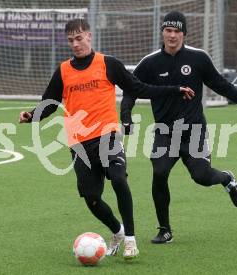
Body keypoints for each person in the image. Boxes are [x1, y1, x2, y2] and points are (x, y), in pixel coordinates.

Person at [19, 19, 195, 260]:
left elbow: (140, 88)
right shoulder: (63, 71)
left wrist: (174, 89)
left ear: (89, 36)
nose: (76, 44)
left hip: (107, 135)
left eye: (79, 38)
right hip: (79, 143)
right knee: (91, 198)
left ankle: (131, 241)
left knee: (119, 179)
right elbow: (49, 104)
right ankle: (118, 231)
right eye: (71, 40)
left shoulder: (108, 64)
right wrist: (31, 116)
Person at [120, 11, 237, 244]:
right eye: (168, 31)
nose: (172, 35)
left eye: (177, 31)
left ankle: (226, 179)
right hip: (165, 133)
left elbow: (223, 87)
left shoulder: (198, 58)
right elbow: (131, 90)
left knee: (201, 176)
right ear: (162, 32)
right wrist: (126, 115)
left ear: (184, 34)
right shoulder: (150, 62)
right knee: (159, 174)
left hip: (193, 132)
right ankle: (165, 229)